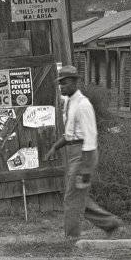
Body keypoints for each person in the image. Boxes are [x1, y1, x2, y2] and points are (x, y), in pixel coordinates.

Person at [43, 65, 122, 237]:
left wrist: (86, 169)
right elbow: (71, 134)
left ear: (73, 83)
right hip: (74, 153)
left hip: (83, 155)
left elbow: (90, 138)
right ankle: (111, 224)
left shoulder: (83, 105)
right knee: (79, 198)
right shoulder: (70, 103)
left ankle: (70, 238)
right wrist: (55, 147)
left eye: (64, 83)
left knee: (71, 199)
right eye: (60, 83)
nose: (61, 87)